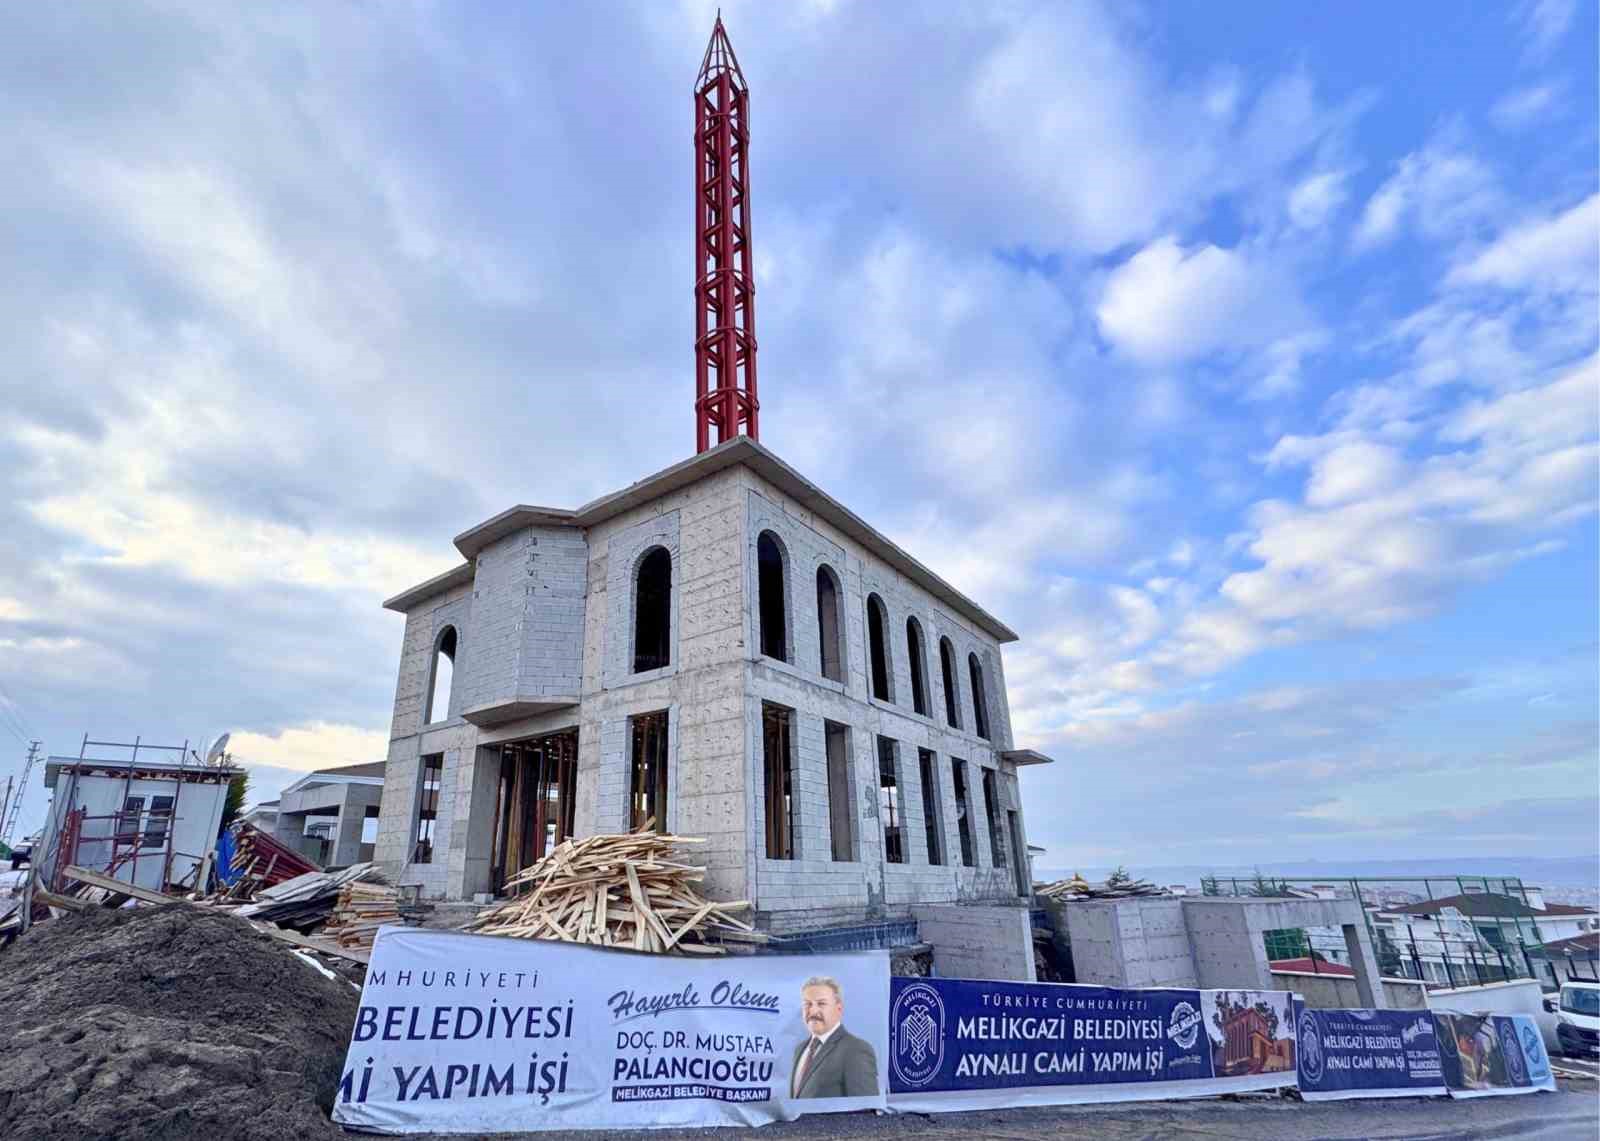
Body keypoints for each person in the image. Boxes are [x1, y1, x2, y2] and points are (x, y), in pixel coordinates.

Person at [788, 976, 878, 1099]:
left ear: (839, 1008)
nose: (813, 1011)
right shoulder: (799, 1050)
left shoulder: (856, 1050)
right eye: (807, 1004)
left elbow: (865, 1111)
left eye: (821, 1003)